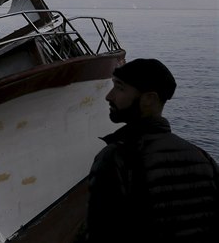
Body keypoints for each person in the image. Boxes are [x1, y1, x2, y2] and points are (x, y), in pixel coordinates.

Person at [86, 58, 219, 242]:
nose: (109, 96)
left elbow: (101, 232)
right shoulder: (203, 159)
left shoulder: (115, 158)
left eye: (120, 88)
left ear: (149, 99)